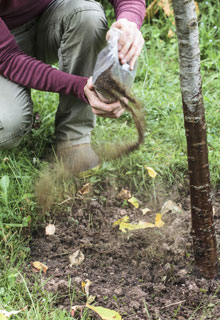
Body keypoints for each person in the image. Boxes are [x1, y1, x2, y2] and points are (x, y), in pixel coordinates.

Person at [0, 0, 145, 174]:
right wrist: (79, 86)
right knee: (8, 125)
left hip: (51, 16)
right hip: (5, 45)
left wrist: (130, 19)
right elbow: (8, 58)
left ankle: (74, 140)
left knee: (87, 17)